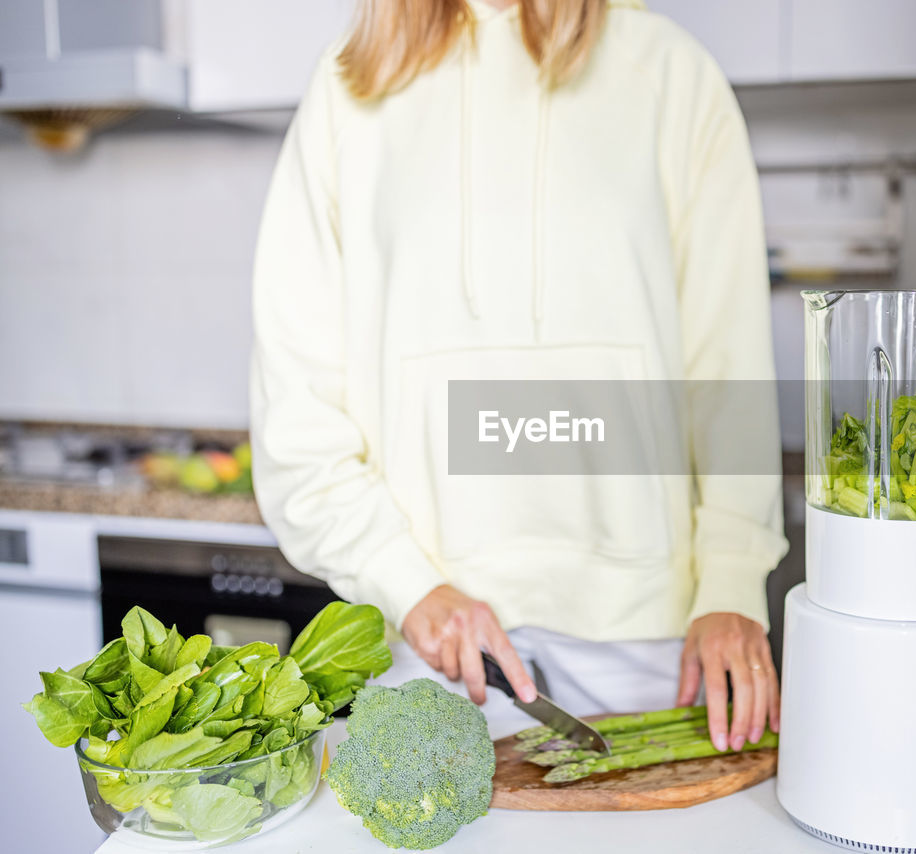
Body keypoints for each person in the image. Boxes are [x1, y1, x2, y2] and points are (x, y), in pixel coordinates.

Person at [250, 0, 788, 751]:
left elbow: (726, 369)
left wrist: (732, 580)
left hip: (647, 636)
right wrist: (405, 583)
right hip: (427, 635)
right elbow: (297, 409)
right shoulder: (350, 88)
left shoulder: (670, 72)